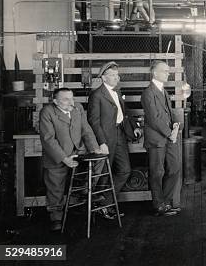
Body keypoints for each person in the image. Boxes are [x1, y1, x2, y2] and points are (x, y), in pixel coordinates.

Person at [39, 88, 106, 231]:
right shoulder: (47, 112)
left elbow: (86, 129)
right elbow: (48, 139)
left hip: (78, 151)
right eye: (65, 99)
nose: (71, 102)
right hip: (57, 155)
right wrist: (64, 158)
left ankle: (84, 192)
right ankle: (56, 217)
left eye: (71, 98)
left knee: (99, 161)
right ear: (55, 101)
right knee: (55, 187)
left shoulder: (78, 108)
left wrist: (94, 148)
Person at [88, 61, 142, 220]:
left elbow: (123, 115)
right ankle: (102, 206)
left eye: (117, 75)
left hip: (120, 134)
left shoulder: (117, 93)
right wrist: (101, 142)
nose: (116, 78)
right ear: (103, 78)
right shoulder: (96, 95)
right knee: (105, 172)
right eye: (112, 75)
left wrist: (134, 127)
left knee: (125, 170)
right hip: (106, 138)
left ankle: (104, 203)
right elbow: (94, 121)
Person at [141, 61, 181, 216]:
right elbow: (153, 118)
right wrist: (169, 132)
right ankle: (159, 205)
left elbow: (168, 112)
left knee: (175, 167)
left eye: (168, 71)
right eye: (164, 71)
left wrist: (176, 124)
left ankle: (166, 201)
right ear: (155, 73)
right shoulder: (148, 93)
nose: (167, 73)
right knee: (157, 172)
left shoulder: (162, 91)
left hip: (168, 136)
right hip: (157, 139)